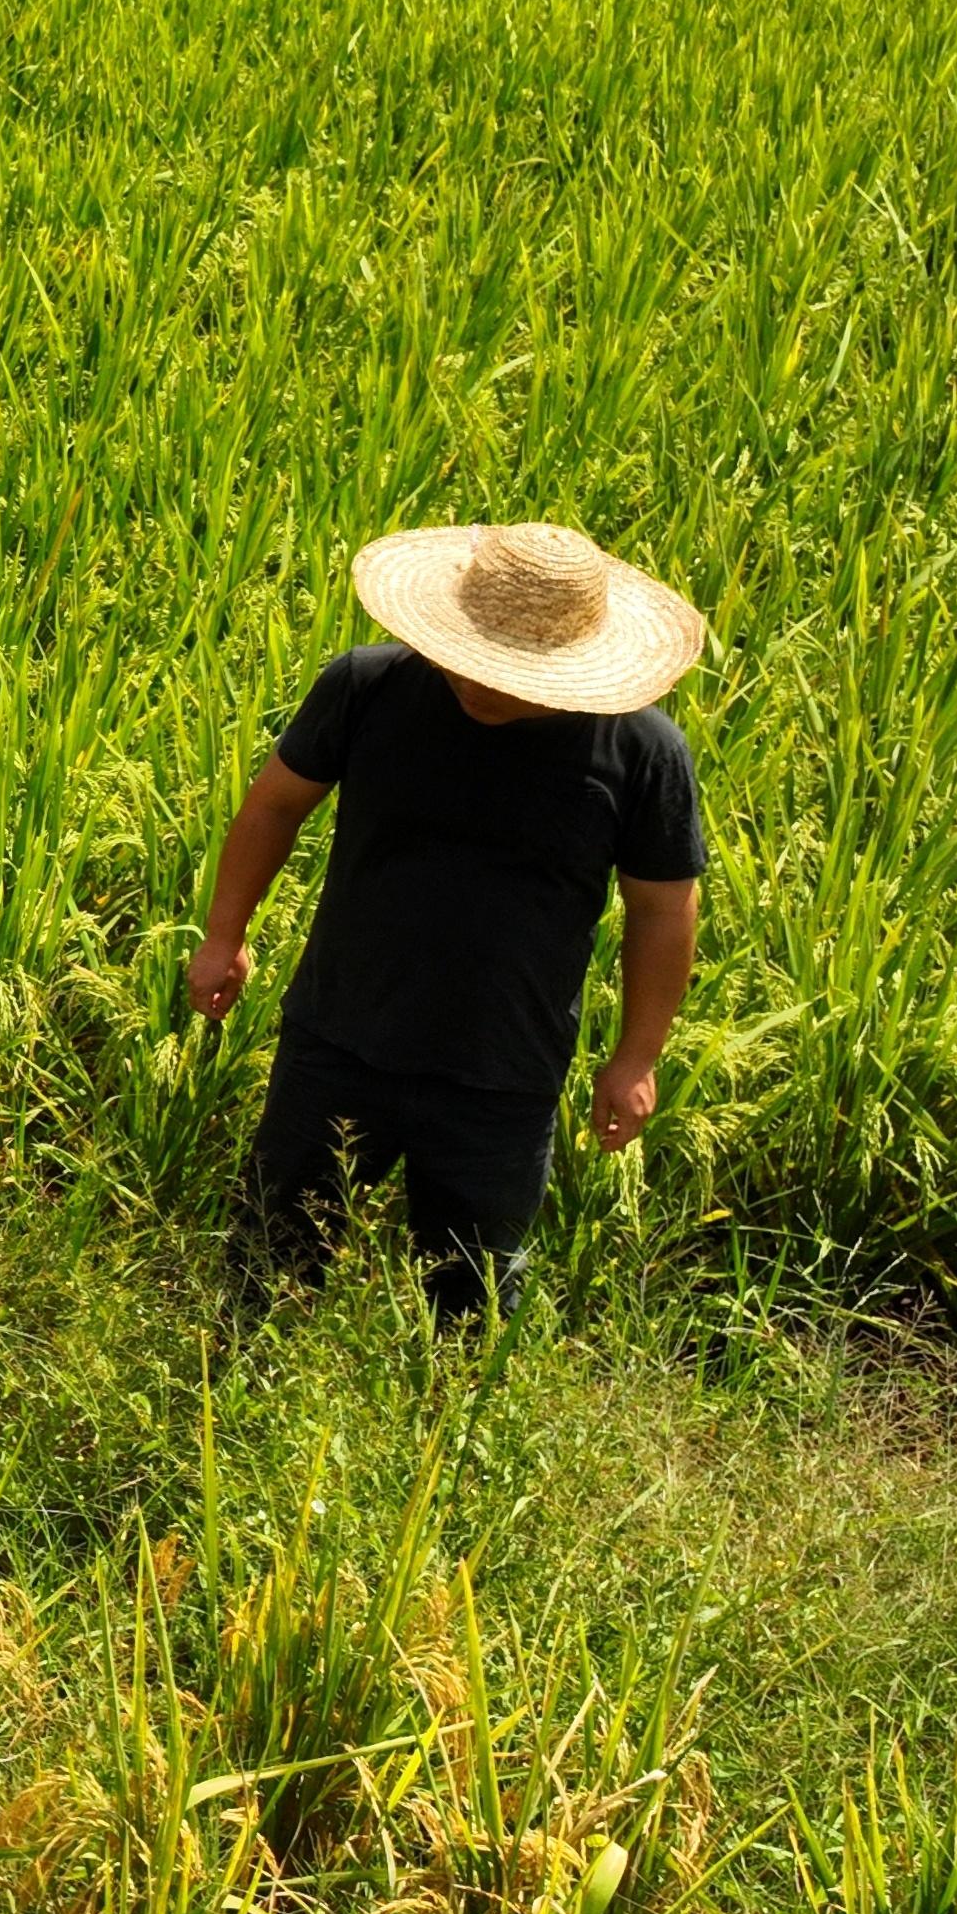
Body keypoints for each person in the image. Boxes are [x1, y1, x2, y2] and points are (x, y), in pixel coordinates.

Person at [187, 519, 708, 1324]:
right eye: (467, 656)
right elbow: (276, 805)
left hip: (502, 1076)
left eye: (506, 670)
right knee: (268, 1260)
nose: (478, 684)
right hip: (339, 1036)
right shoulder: (368, 687)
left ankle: (439, 1441)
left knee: (472, 1303)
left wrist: (637, 1057)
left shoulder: (640, 751)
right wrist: (224, 936)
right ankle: (224, 1408)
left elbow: (663, 908)